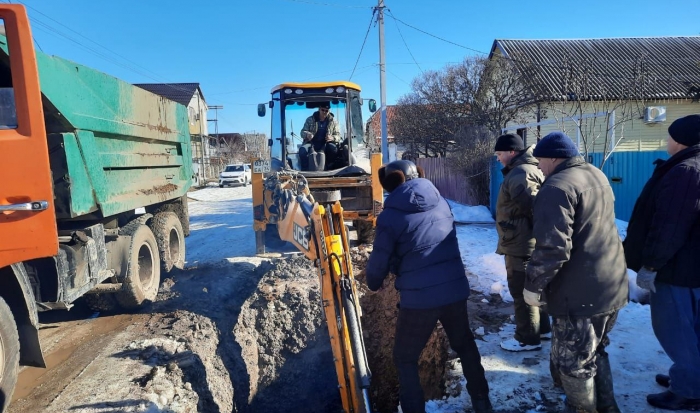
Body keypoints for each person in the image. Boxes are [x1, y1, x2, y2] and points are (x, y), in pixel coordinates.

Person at [366, 160, 493, 413]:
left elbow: (378, 261)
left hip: (420, 300)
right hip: (454, 291)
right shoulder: (441, 203)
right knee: (465, 345)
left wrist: (374, 282)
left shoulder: (390, 216)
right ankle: (482, 402)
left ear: (391, 183)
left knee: (405, 357)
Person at [524, 132, 628, 413]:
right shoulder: (595, 174)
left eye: (540, 160)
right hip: (611, 284)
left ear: (555, 158)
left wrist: (533, 285)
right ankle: (607, 408)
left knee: (574, 364)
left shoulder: (556, 187)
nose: (538, 167)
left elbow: (552, 248)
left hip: (580, 294)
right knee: (596, 350)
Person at [623, 114, 700, 411]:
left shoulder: (686, 171)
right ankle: (689, 377)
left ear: (680, 140)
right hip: (691, 267)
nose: (666, 142)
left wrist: (651, 265)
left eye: (669, 136)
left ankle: (689, 390)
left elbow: (669, 226)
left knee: (675, 330)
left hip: (677, 269)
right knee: (692, 329)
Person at [493, 133, 551, 352]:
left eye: (499, 154)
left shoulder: (520, 173)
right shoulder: (527, 169)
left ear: (512, 152)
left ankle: (527, 338)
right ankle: (542, 329)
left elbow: (535, 207)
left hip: (521, 244)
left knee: (521, 291)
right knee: (535, 288)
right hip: (525, 241)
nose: (498, 158)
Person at [299, 102, 341, 170]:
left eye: (326, 111)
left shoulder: (333, 122)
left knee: (333, 149)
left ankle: (330, 168)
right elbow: (302, 132)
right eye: (322, 110)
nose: (324, 112)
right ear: (319, 109)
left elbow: (338, 136)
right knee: (302, 150)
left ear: (329, 111)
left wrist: (332, 137)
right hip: (311, 143)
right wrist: (307, 134)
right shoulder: (310, 120)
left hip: (326, 144)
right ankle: (305, 170)